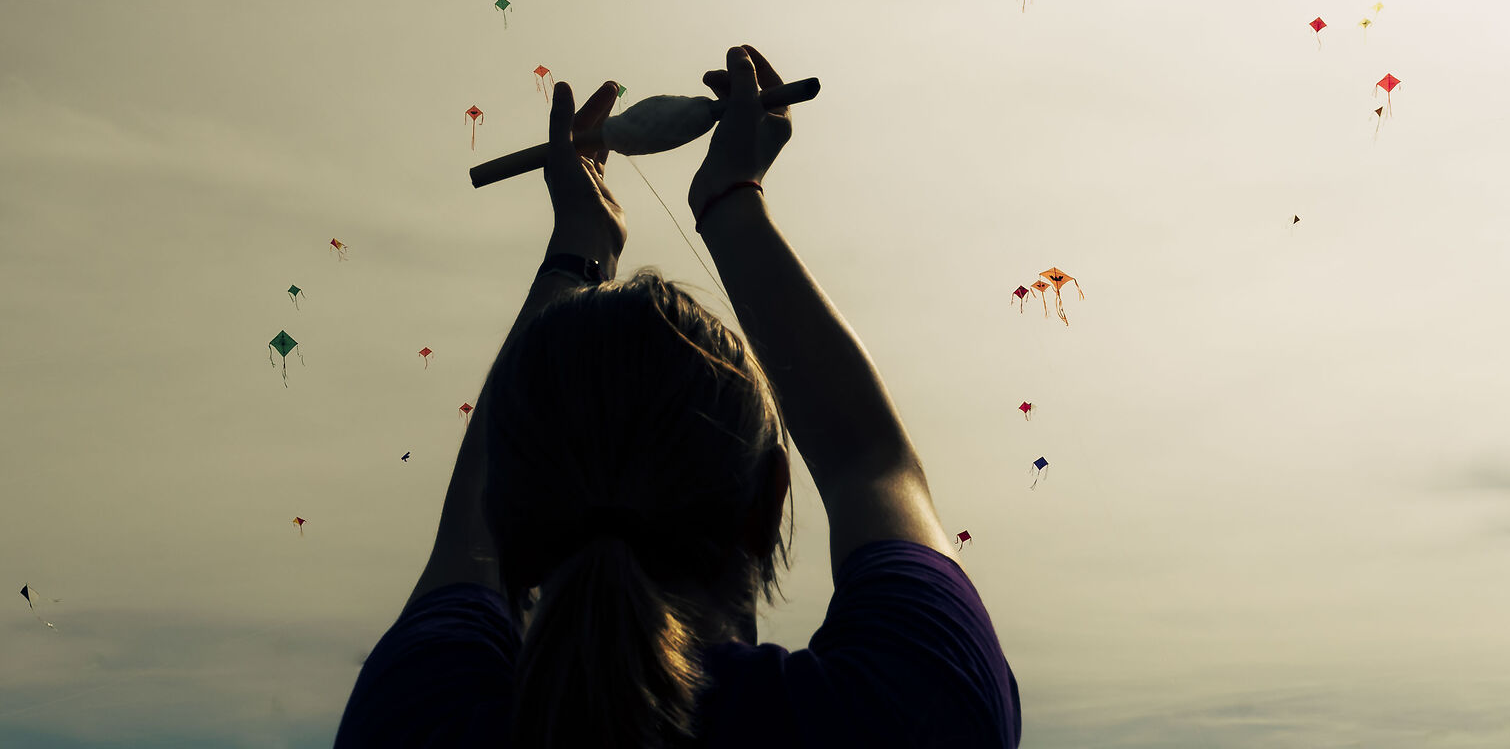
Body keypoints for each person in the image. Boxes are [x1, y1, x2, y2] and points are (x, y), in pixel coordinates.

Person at [336, 44, 1021, 748]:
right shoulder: (908, 706)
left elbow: (464, 544)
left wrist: (578, 243)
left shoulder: (411, 721)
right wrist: (732, 200)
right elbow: (872, 463)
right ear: (769, 502)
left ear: (508, 518)